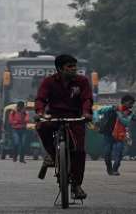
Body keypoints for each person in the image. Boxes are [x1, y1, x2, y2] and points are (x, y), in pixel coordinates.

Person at [35, 54, 92, 200]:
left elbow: (87, 99)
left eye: (75, 66)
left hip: (76, 118)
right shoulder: (49, 82)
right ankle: (53, 155)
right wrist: (40, 112)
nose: (74, 69)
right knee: (41, 127)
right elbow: (41, 99)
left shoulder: (82, 81)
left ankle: (76, 185)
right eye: (70, 67)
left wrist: (86, 112)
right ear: (60, 69)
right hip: (54, 116)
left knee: (79, 150)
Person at [99, 94, 135, 176]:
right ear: (125, 102)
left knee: (119, 153)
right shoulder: (113, 108)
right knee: (107, 153)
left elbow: (126, 122)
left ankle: (115, 169)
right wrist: (111, 108)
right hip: (108, 134)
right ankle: (109, 168)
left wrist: (119, 113)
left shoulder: (129, 113)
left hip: (120, 135)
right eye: (130, 103)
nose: (132, 105)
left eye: (132, 103)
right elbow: (100, 111)